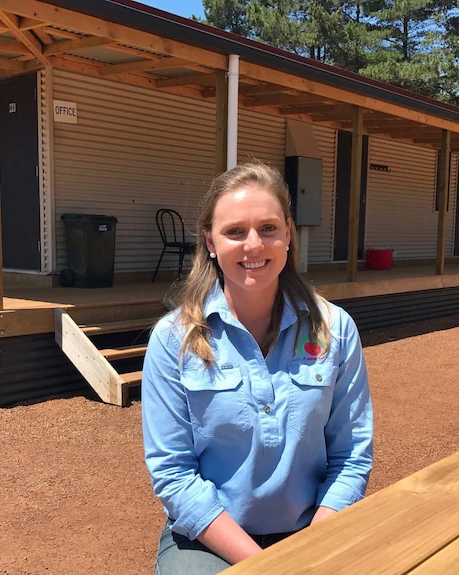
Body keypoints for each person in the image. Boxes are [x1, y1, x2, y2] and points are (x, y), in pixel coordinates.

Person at [141, 162, 373, 574]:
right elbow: (173, 473)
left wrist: (313, 549)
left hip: (314, 528)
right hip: (211, 537)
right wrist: (268, 566)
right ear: (210, 242)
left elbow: (351, 456)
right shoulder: (174, 340)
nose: (253, 245)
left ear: (287, 232)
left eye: (267, 228)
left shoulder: (335, 329)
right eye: (234, 232)